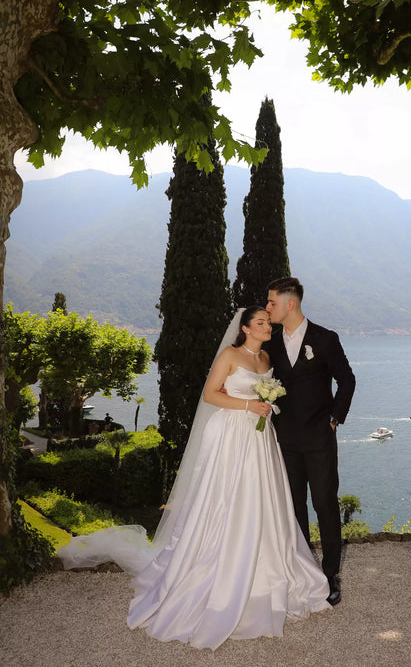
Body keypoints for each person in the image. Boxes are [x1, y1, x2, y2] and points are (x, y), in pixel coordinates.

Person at [57, 306, 330, 650]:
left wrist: (268, 405)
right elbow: (211, 395)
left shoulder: (264, 358)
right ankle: (218, 568)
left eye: (267, 322)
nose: (267, 326)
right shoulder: (230, 355)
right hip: (231, 434)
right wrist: (249, 406)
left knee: (264, 498)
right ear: (245, 327)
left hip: (260, 438)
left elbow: (267, 392)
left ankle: (269, 566)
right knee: (227, 498)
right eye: (260, 323)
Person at [264, 277, 356, 606]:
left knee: (325, 505)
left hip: (319, 439)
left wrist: (334, 420)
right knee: (294, 507)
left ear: (291, 303)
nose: (268, 308)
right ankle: (304, 570)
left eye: (272, 302)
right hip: (284, 440)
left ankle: (331, 574)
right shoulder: (270, 343)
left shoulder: (325, 339)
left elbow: (347, 380)